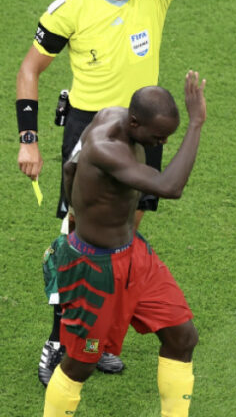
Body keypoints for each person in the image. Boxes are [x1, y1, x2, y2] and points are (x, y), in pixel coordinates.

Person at [15, 0, 198, 384]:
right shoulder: (72, 6)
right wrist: (29, 139)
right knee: (80, 240)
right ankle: (59, 341)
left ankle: (104, 339)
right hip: (91, 130)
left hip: (145, 129)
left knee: (125, 238)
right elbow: (30, 70)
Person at [42, 71, 206, 417]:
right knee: (80, 363)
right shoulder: (107, 149)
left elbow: (71, 168)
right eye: (159, 137)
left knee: (182, 337)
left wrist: (74, 211)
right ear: (134, 122)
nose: (161, 144)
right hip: (94, 269)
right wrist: (196, 125)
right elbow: (170, 187)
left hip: (135, 256)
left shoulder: (110, 115)